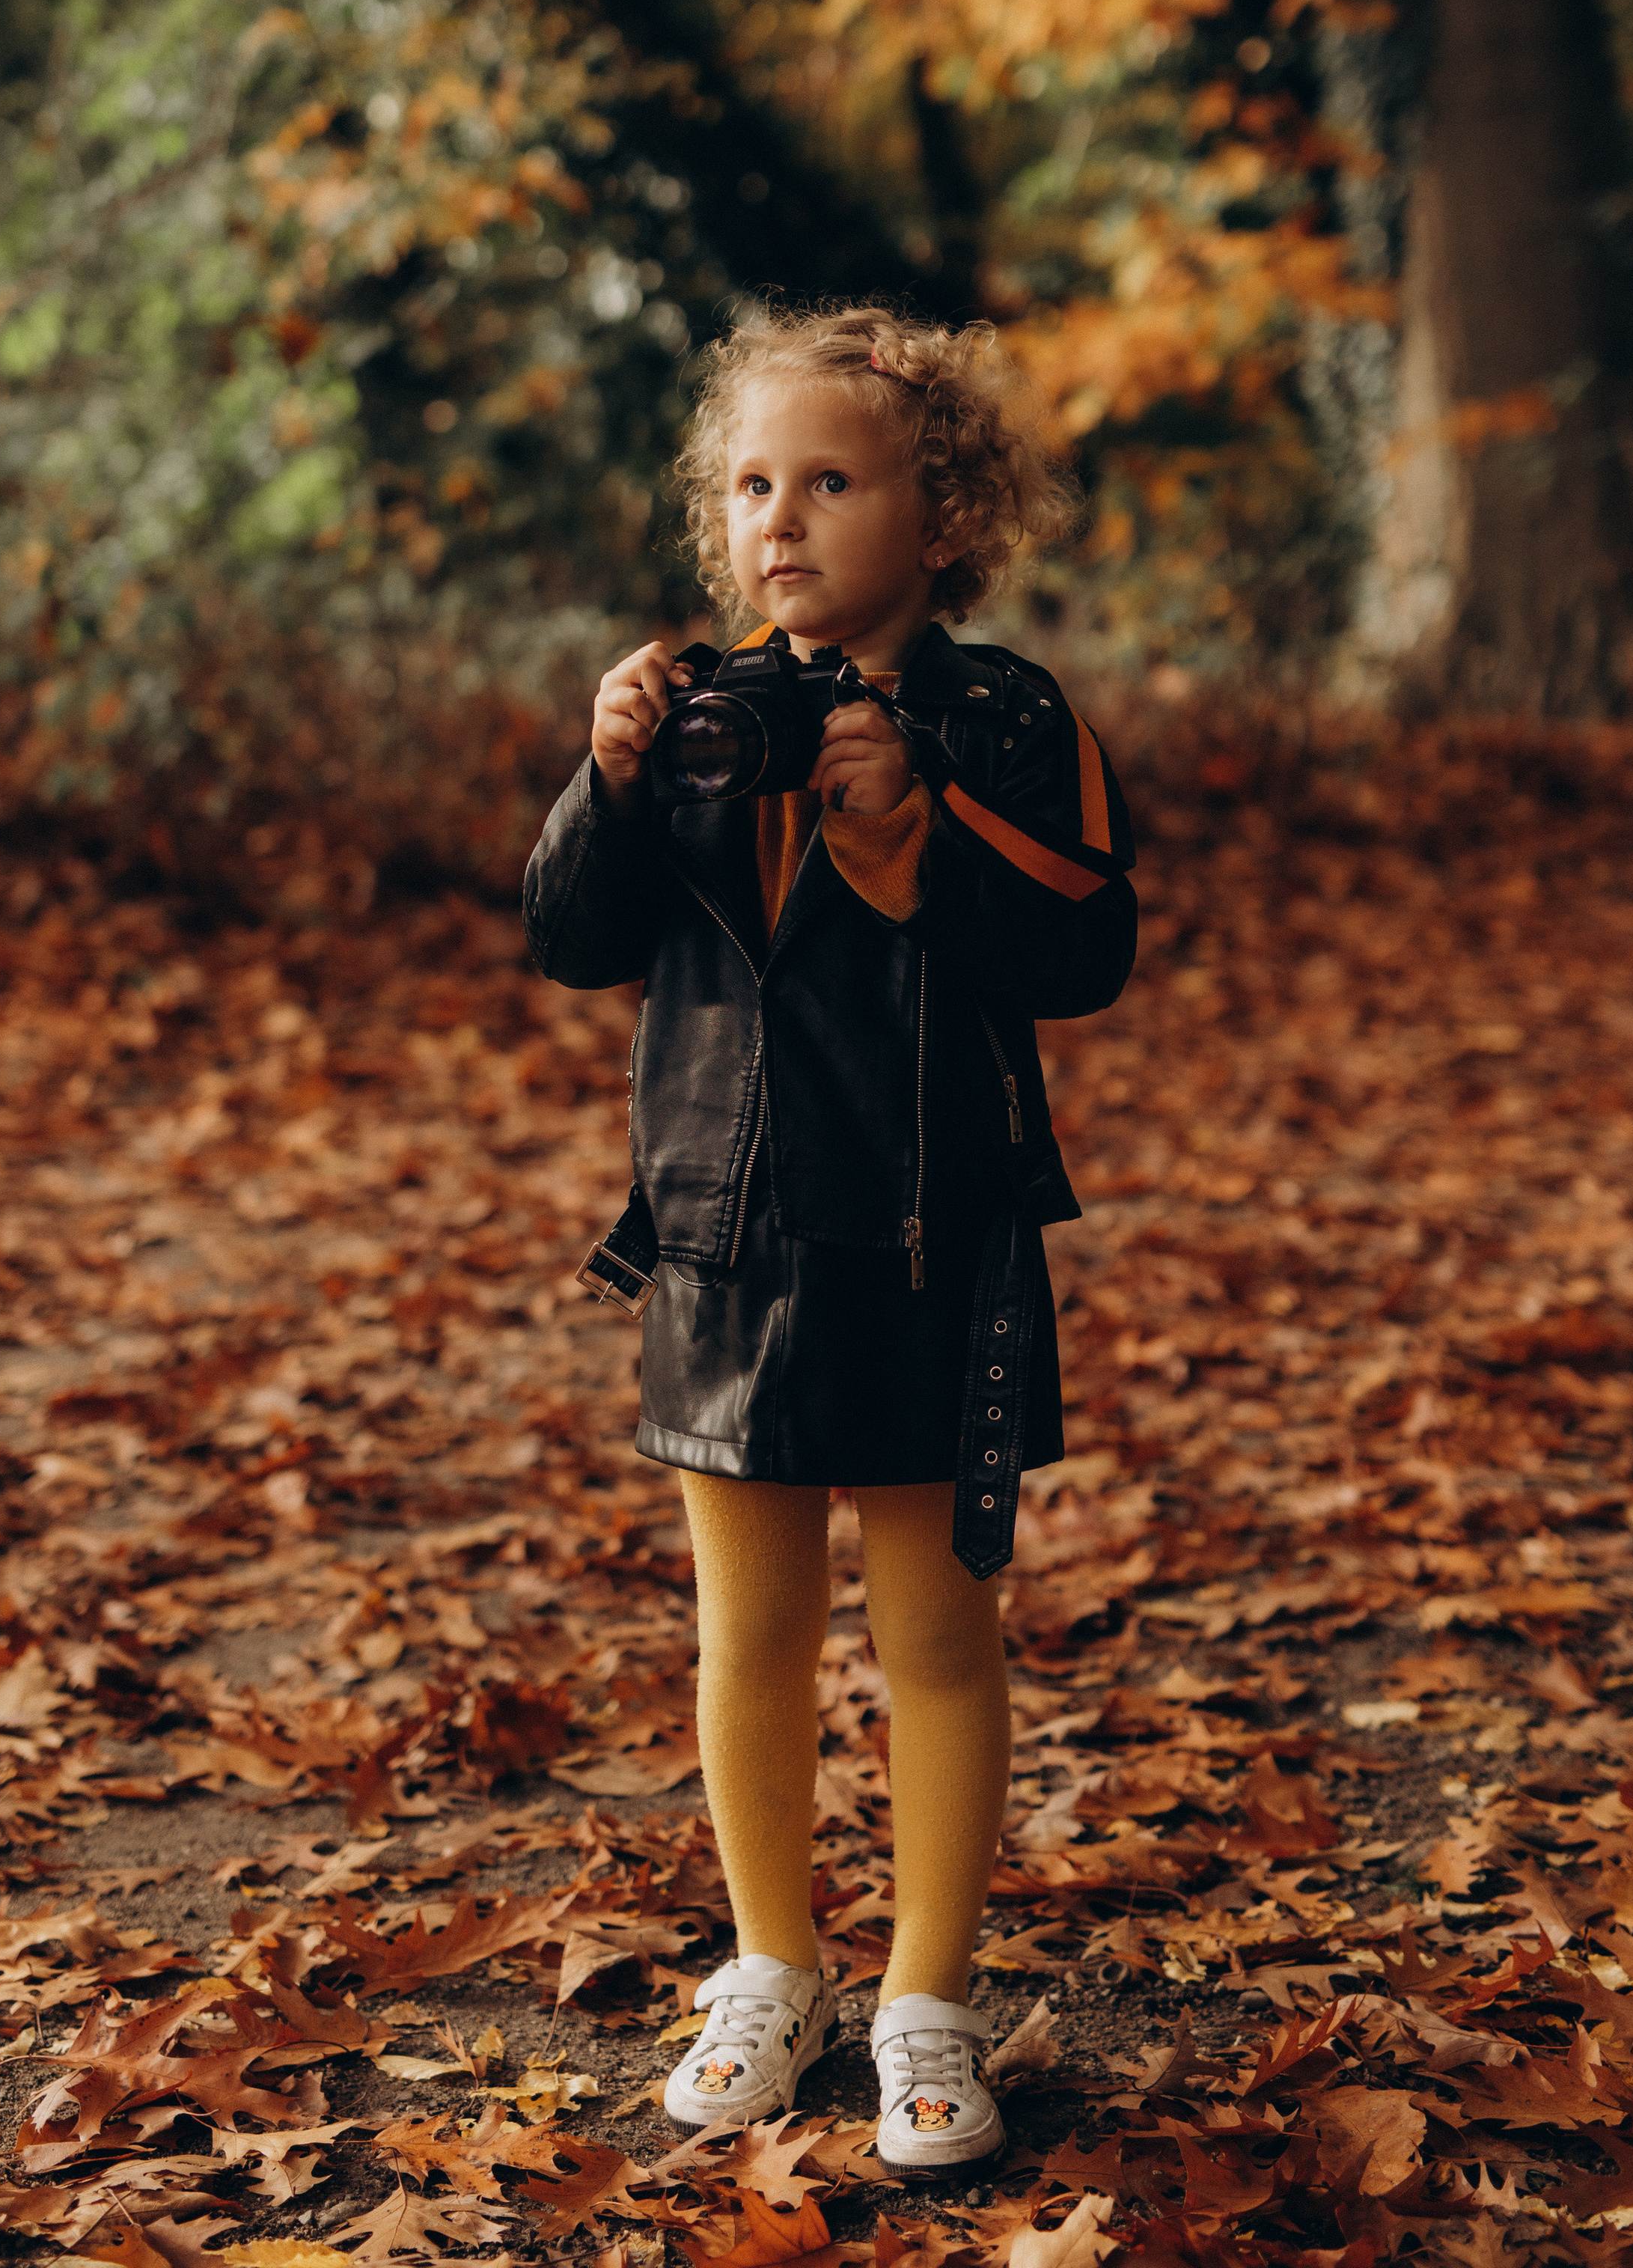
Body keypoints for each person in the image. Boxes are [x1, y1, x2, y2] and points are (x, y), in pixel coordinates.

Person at [522, 303, 1136, 2180]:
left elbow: (1084, 946)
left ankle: (924, 1997)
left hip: (939, 1241)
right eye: (751, 482)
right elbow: (573, 932)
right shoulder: (697, 705)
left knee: (937, 1632)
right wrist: (609, 778)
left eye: (831, 479)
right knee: (752, 1628)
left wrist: (921, 820)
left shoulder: (1003, 714)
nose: (779, 516)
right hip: (723, 1240)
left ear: (939, 516)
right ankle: (769, 1964)